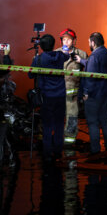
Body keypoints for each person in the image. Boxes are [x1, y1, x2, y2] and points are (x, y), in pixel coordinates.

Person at [29, 34, 69, 163]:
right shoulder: (60, 56)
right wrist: (64, 45)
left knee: (47, 126)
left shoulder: (39, 59)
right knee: (58, 125)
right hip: (60, 96)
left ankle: (47, 154)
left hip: (46, 97)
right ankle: (58, 153)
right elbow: (67, 54)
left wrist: (34, 61)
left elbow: (30, 75)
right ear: (53, 45)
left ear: (40, 46)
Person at [80, 32, 107, 155]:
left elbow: (91, 77)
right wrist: (83, 61)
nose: (89, 44)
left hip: (94, 96)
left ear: (93, 43)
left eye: (89, 42)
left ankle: (95, 151)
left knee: (93, 122)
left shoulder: (94, 56)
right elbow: (99, 68)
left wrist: (85, 92)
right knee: (106, 121)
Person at [56, 28, 88, 147]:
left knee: (72, 118)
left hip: (73, 96)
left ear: (74, 41)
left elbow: (88, 74)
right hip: (58, 93)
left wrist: (85, 92)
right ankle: (57, 141)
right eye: (64, 40)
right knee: (57, 118)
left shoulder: (82, 54)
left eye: (69, 40)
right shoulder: (56, 53)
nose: (66, 42)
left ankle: (69, 144)